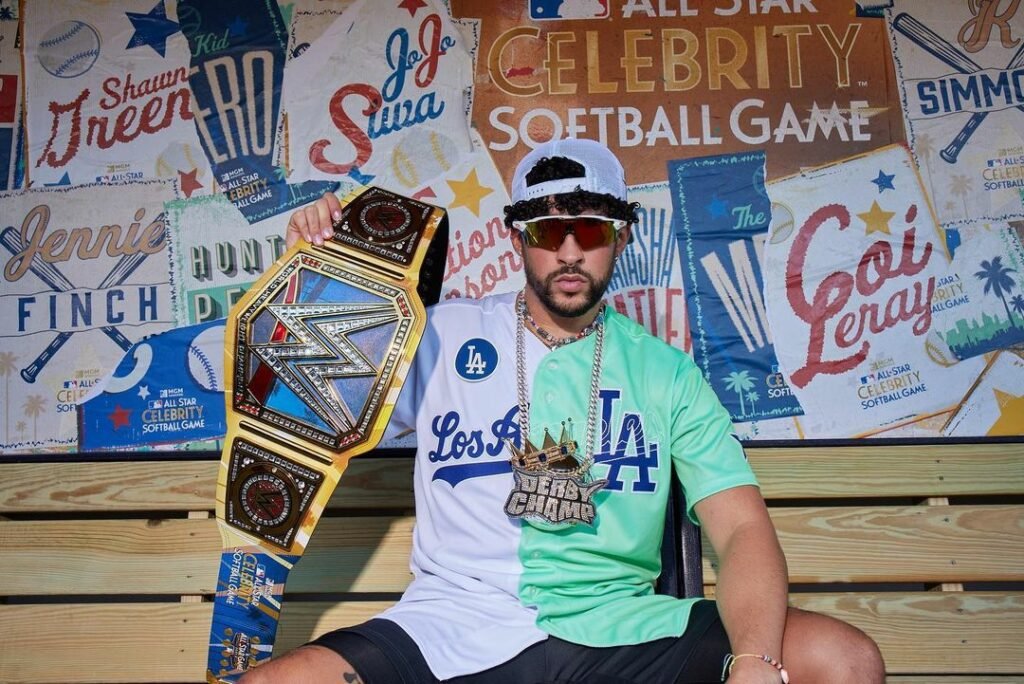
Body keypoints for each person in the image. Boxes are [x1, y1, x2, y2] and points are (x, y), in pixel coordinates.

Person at [241, 138, 886, 684]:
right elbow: (281, 394)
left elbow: (742, 529)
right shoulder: (436, 335)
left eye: (592, 230)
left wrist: (754, 659)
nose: (571, 252)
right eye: (551, 230)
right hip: (453, 620)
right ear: (517, 235)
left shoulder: (666, 373)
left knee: (843, 660)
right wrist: (315, 272)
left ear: (622, 235)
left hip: (620, 625)